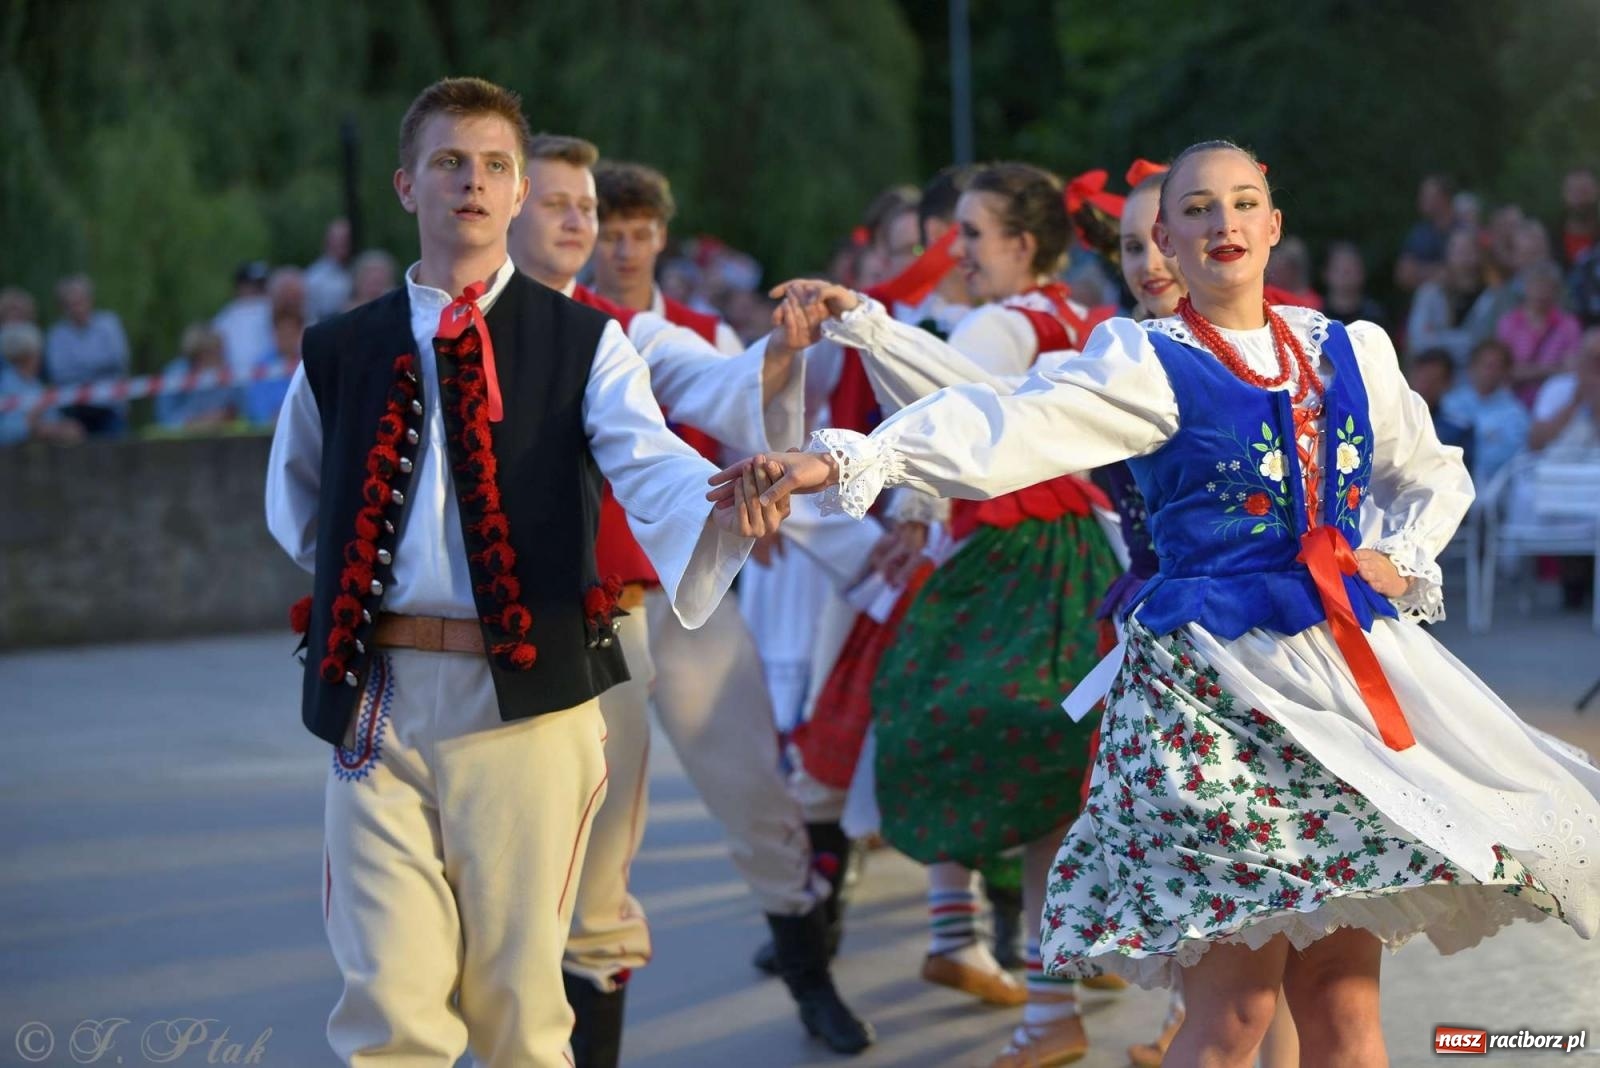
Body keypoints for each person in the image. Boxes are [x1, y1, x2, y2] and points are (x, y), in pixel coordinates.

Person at [726, 139, 1600, 1068]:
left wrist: (1400, 553)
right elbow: (1007, 419)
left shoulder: (1348, 350)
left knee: (1342, 1007)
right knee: (1232, 1015)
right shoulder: (1145, 360)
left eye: (1243, 202)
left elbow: (1431, 472)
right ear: (1167, 244)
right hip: (1210, 694)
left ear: (1274, 226)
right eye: (1194, 209)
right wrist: (849, 456)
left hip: (1342, 690)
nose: (1223, 222)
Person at [264, 77, 784, 1068]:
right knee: (387, 1000)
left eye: (494, 165)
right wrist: (372, 588)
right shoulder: (339, 349)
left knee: (516, 1006)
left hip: (528, 701)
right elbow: (298, 504)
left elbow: (650, 463)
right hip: (379, 693)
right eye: (448, 162)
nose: (472, 181)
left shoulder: (585, 342)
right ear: (406, 185)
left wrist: (725, 497)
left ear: (515, 194)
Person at [509, 135, 873, 1059]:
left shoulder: (641, 332)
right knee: (572, 841)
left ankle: (811, 978)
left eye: (622, 224)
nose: (614, 242)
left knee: (753, 786)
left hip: (680, 598)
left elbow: (729, 390)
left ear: (659, 237)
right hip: (563, 612)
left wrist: (780, 352)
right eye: (592, 219)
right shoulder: (492, 326)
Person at [44, 273, 130, 436]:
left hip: (109, 407)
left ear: (90, 300)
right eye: (71, 304)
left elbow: (118, 359)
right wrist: (97, 366)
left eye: (80, 302)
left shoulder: (109, 324)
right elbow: (59, 373)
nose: (77, 308)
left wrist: (78, 367)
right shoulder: (56, 334)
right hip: (73, 411)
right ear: (63, 307)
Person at [1405, 228, 1504, 367]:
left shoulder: (1493, 296)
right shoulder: (1430, 293)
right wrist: (1465, 341)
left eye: (1469, 250)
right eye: (1459, 250)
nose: (1464, 256)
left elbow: (1489, 342)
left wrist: (1439, 337)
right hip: (1434, 372)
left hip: (1476, 374)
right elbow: (1419, 340)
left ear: (1479, 254)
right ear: (1448, 254)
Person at [1440, 339, 1530, 484]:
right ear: (1472, 367)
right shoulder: (1450, 403)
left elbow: (1514, 459)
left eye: (1498, 367)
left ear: (1506, 372)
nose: (1491, 372)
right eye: (1487, 365)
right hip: (1448, 480)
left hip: (1493, 487)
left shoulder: (1515, 413)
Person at [1497, 259, 1583, 407]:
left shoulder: (1569, 325)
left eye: (1547, 287)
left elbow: (1571, 369)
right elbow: (1505, 370)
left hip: (1555, 402)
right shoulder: (1508, 322)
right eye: (1536, 285)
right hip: (1513, 401)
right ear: (1525, 288)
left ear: (1556, 291)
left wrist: (1526, 371)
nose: (1541, 292)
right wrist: (1552, 369)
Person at [0, 322, 85, 445]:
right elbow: (6, 432)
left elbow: (52, 418)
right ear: (25, 356)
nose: (40, 357)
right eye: (36, 353)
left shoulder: (37, 385)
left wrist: (63, 426)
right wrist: (32, 423)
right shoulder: (5, 384)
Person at [155, 323, 241, 430]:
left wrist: (225, 416)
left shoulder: (228, 373)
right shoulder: (174, 375)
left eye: (218, 351)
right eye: (210, 352)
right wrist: (197, 422)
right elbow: (165, 419)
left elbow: (239, 409)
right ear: (196, 354)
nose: (218, 357)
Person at [244, 308, 304, 426]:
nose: (286, 339)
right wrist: (271, 417)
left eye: (290, 334)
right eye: (282, 333)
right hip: (268, 430)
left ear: (299, 333)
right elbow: (255, 404)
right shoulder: (262, 365)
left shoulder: (307, 362)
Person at [1321, 241, 1387, 331]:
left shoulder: (1375, 318)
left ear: (1362, 273)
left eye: (1351, 269)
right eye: (1338, 269)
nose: (1345, 275)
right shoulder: (1314, 319)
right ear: (1326, 273)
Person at [305, 217, 354, 322]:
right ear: (328, 241)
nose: (344, 243)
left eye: (347, 239)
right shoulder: (315, 277)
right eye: (340, 239)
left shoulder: (354, 271)